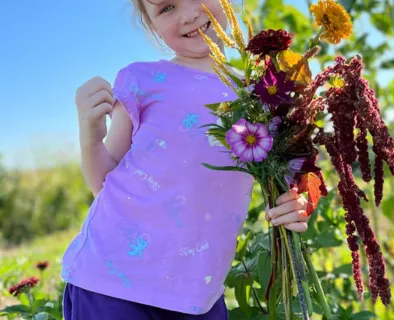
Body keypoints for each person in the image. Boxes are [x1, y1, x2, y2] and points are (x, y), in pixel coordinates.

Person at [61, 0, 311, 319]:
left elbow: (290, 177)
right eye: (167, 8)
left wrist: (297, 203)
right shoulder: (141, 79)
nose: (189, 14)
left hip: (199, 294)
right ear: (152, 25)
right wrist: (90, 133)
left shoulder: (261, 94)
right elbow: (102, 183)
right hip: (111, 280)